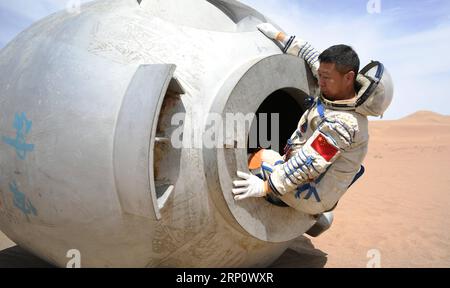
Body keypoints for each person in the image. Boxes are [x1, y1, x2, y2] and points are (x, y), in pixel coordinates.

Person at [232, 23, 394, 217]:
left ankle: (284, 207)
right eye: (320, 75)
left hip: (313, 191)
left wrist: (266, 187)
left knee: (258, 158)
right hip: (315, 176)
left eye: (325, 77)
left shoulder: (344, 123)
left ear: (349, 77)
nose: (320, 81)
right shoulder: (337, 85)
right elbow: (310, 54)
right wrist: (279, 36)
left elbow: (309, 162)